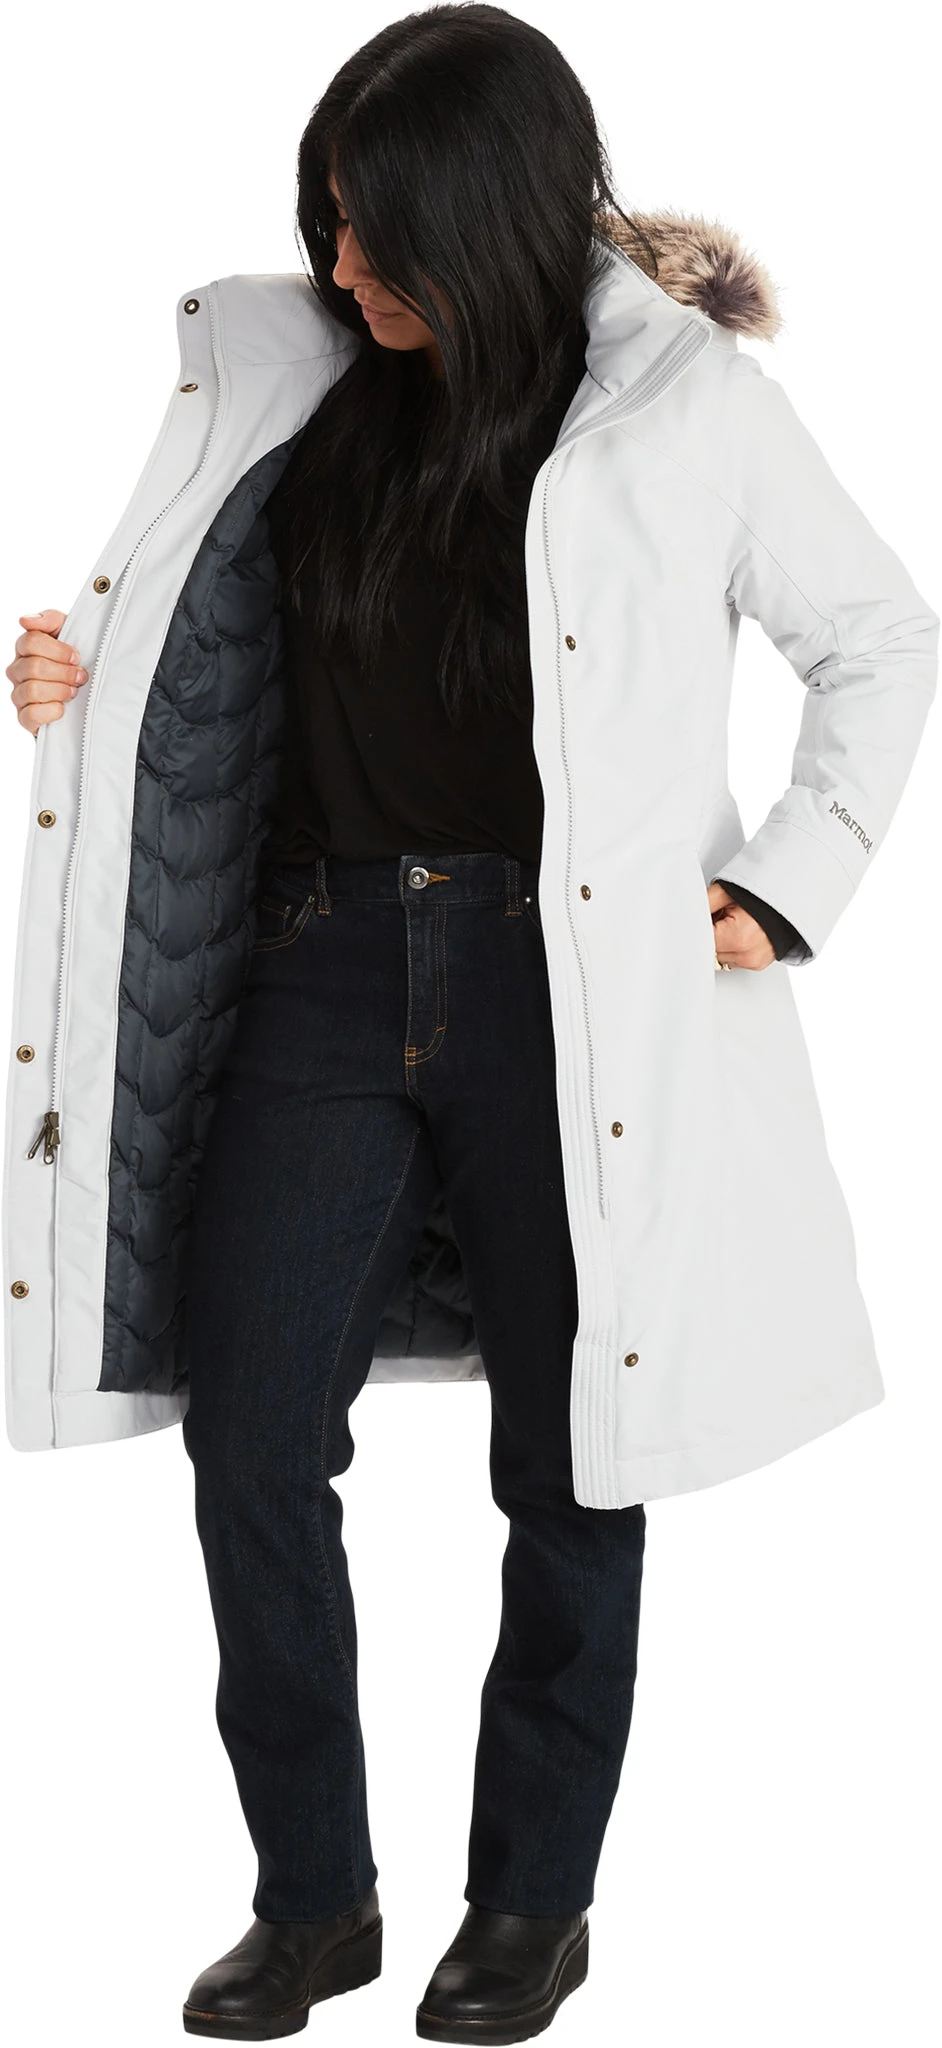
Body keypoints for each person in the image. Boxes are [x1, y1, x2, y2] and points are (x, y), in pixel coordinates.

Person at [4, 7, 937, 2045]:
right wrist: (76, 676)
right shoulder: (292, 380)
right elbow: (191, 645)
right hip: (320, 961)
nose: (344, 265)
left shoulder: (687, 409)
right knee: (253, 1435)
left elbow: (879, 634)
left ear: (491, 213)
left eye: (379, 229)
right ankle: (314, 1901)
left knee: (576, 1454)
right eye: (329, 222)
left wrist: (793, 879)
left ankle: (530, 1905)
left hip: (564, 982)